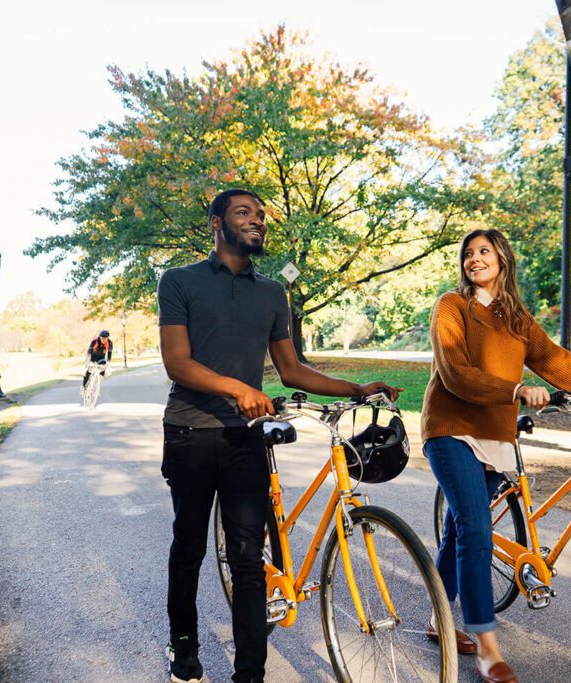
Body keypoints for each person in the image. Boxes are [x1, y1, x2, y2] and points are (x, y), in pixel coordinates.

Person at [157, 188, 402, 683]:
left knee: (249, 558)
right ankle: (183, 643)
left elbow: (291, 369)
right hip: (191, 431)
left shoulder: (272, 292)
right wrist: (237, 387)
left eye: (261, 215)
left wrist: (355, 388)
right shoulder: (179, 281)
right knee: (190, 546)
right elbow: (177, 364)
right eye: (244, 213)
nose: (257, 221)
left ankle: (250, 674)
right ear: (217, 223)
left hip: (247, 437)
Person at [421, 229, 571, 683]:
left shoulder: (516, 317)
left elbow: (558, 362)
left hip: (496, 433)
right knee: (474, 528)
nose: (474, 259)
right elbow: (455, 373)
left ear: (502, 259)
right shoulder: (452, 305)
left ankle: (437, 618)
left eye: (484, 251)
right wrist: (516, 389)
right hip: (450, 429)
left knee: (460, 529)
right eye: (468, 253)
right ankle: (487, 648)